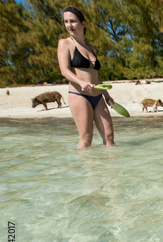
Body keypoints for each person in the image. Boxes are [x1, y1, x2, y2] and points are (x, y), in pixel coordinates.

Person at [57, 6, 115, 148]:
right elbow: (64, 71)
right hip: (79, 95)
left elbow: (96, 75)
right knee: (86, 138)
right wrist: (81, 82)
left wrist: (106, 95)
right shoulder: (65, 43)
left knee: (109, 138)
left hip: (98, 96)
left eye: (73, 21)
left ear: (83, 23)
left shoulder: (90, 48)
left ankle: (114, 169)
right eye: (66, 21)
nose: (69, 25)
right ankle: (86, 170)